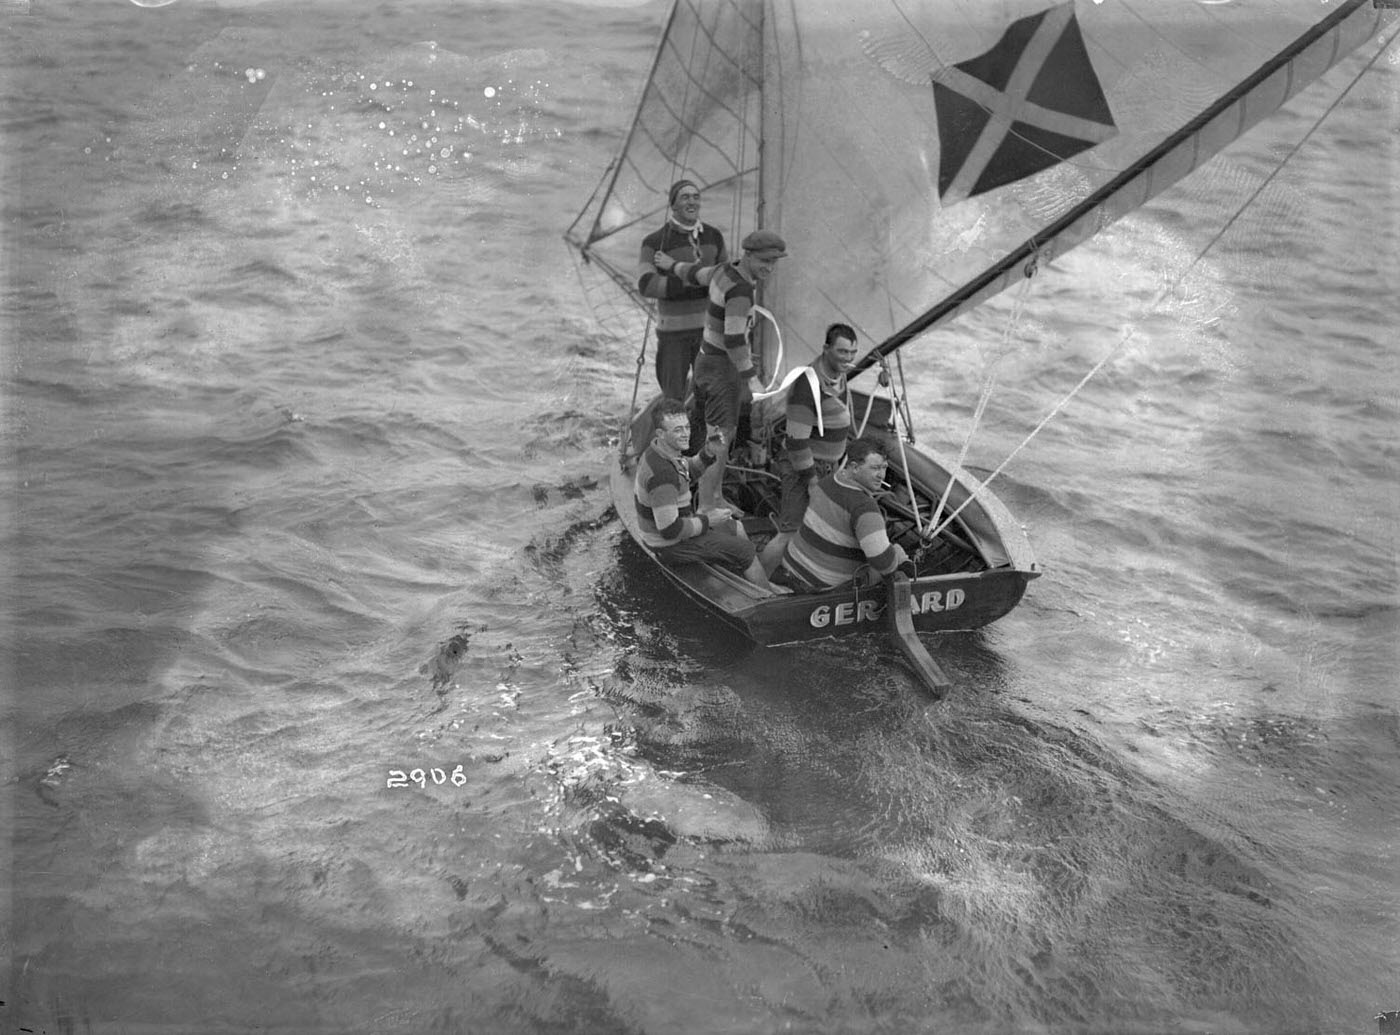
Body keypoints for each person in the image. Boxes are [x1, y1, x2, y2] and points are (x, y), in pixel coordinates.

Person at [654, 228, 788, 515]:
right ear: (748, 255)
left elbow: (694, 273)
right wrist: (751, 378)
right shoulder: (741, 291)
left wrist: (670, 265)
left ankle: (715, 496)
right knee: (719, 439)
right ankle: (706, 505)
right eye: (764, 261)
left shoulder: (722, 270)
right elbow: (735, 339)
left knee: (719, 436)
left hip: (704, 360)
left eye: (774, 262)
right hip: (722, 371)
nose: (769, 267)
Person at [634, 398, 786, 594]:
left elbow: (686, 472)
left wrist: (707, 453)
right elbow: (669, 530)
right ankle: (768, 599)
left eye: (686, 427)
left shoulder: (661, 451)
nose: (686, 434)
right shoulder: (662, 474)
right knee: (745, 551)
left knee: (736, 527)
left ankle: (758, 580)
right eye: (678, 430)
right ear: (661, 434)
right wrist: (706, 520)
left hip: (677, 530)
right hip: (669, 545)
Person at [758, 322, 858, 575]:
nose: (848, 359)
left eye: (852, 353)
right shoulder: (807, 386)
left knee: (819, 526)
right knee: (789, 530)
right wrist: (813, 483)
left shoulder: (837, 373)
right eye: (842, 352)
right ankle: (757, 581)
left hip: (828, 466)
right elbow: (796, 442)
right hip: (802, 467)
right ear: (826, 349)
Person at [777, 437, 913, 592]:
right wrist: (899, 556)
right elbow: (882, 563)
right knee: (891, 556)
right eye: (875, 468)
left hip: (792, 564)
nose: (881, 475)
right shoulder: (865, 508)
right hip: (822, 585)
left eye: (884, 467)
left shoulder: (827, 481)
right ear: (854, 467)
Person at [636, 179, 727, 404]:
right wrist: (699, 278)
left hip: (709, 334)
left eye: (696, 197)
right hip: (672, 338)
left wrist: (676, 272)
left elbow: (724, 280)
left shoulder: (714, 237)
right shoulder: (654, 242)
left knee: (710, 396)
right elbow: (646, 285)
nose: (692, 201)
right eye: (685, 197)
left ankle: (701, 439)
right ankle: (671, 439)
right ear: (673, 205)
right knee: (673, 399)